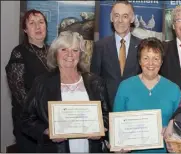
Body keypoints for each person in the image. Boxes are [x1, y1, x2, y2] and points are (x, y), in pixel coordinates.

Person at [20, 31, 110, 153]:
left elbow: (106, 115)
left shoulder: (95, 82)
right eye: (64, 49)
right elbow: (26, 119)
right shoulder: (42, 83)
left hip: (90, 148)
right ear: (55, 53)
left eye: (75, 50)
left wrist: (99, 129)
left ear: (81, 54)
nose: (70, 55)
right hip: (55, 149)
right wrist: (47, 131)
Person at [113, 37, 181, 153]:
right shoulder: (125, 87)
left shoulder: (174, 89)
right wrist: (117, 147)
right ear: (139, 61)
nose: (151, 63)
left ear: (161, 61)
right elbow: (116, 125)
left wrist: (173, 133)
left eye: (156, 58)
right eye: (146, 58)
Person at [5, 9, 50, 152]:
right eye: (32, 23)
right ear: (25, 29)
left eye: (41, 22)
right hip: (29, 124)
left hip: (51, 122)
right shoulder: (19, 52)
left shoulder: (53, 52)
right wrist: (42, 115)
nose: (38, 27)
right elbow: (19, 92)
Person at [91, 1, 141, 108]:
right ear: (111, 18)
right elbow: (94, 81)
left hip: (135, 108)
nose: (120, 21)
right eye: (116, 16)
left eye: (125, 16)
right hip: (107, 109)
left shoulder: (142, 46)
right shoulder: (100, 46)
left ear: (132, 19)